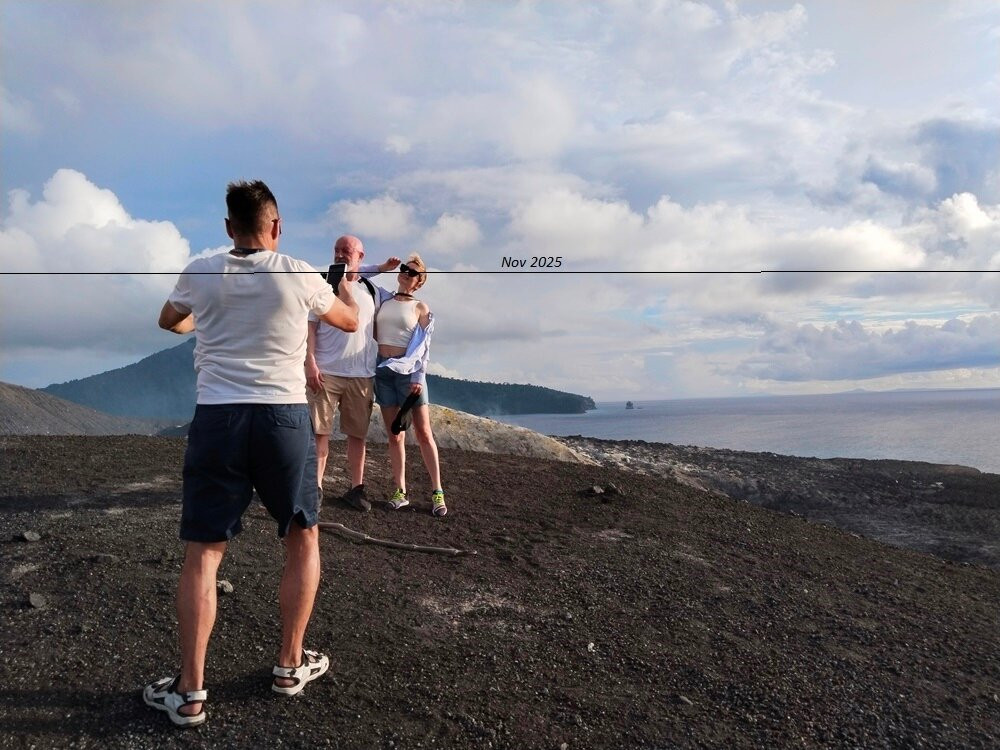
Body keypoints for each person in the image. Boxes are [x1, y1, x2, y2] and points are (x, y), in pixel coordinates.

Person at [144, 180, 359, 727]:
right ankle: (290, 665)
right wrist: (345, 282)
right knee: (302, 534)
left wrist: (207, 321)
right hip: (283, 419)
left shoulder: (202, 270)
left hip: (219, 416)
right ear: (277, 226)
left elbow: (169, 321)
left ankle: (190, 692)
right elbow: (349, 322)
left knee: (204, 552)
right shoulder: (299, 271)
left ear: (227, 228)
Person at [305, 235, 399, 512]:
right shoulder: (323, 284)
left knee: (357, 435)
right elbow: (310, 327)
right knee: (319, 433)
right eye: (336, 250)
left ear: (360, 255)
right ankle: (315, 489)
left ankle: (356, 489)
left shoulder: (373, 291)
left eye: (346, 250)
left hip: (361, 373)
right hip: (326, 371)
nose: (339, 254)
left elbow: (395, 313)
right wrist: (310, 362)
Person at [374, 253, 447, 517]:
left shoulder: (421, 308)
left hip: (409, 374)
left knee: (424, 432)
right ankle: (400, 491)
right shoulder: (383, 299)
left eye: (412, 272)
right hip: (383, 371)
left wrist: (418, 378)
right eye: (404, 268)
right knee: (395, 435)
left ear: (419, 282)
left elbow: (424, 348)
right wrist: (382, 266)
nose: (405, 272)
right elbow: (358, 276)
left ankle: (437, 492)